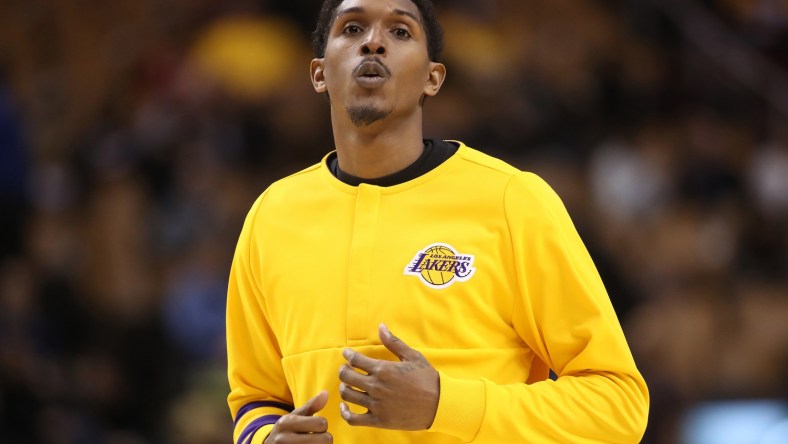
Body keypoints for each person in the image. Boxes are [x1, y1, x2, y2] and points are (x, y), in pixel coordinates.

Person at [225, 0, 650, 442]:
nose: (373, 42)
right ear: (318, 73)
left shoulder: (512, 200)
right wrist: (265, 438)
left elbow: (618, 406)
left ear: (433, 78)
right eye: (352, 29)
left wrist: (445, 405)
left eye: (400, 32)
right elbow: (255, 397)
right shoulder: (271, 216)